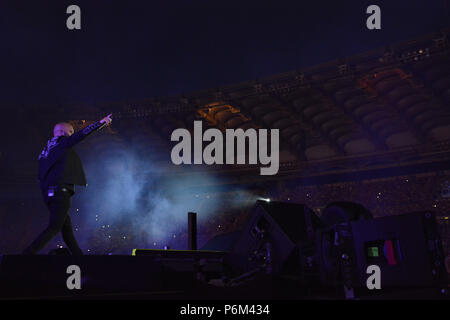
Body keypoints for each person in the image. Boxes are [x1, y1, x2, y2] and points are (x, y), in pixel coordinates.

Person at [22, 114, 113, 255]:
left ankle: (79, 257)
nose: (72, 135)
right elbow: (82, 134)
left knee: (67, 230)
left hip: (49, 193)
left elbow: (40, 175)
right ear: (66, 133)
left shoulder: (46, 150)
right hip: (60, 191)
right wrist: (101, 123)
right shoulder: (62, 142)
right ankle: (28, 254)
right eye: (71, 132)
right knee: (55, 226)